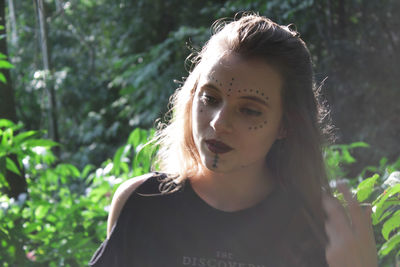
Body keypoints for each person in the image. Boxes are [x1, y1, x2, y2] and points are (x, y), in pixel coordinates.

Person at [89, 14, 377, 267]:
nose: (219, 123)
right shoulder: (141, 203)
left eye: (249, 110)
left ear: (286, 124)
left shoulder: (321, 228)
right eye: (210, 98)